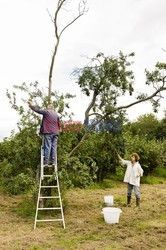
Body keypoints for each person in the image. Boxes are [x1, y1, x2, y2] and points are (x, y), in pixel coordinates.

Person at [28, 100, 60, 166]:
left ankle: (46, 162)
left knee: (48, 146)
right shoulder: (56, 114)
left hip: (48, 132)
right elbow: (59, 124)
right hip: (55, 133)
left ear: (48, 108)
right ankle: (53, 162)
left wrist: (31, 105)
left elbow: (38, 110)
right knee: (54, 147)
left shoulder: (47, 112)